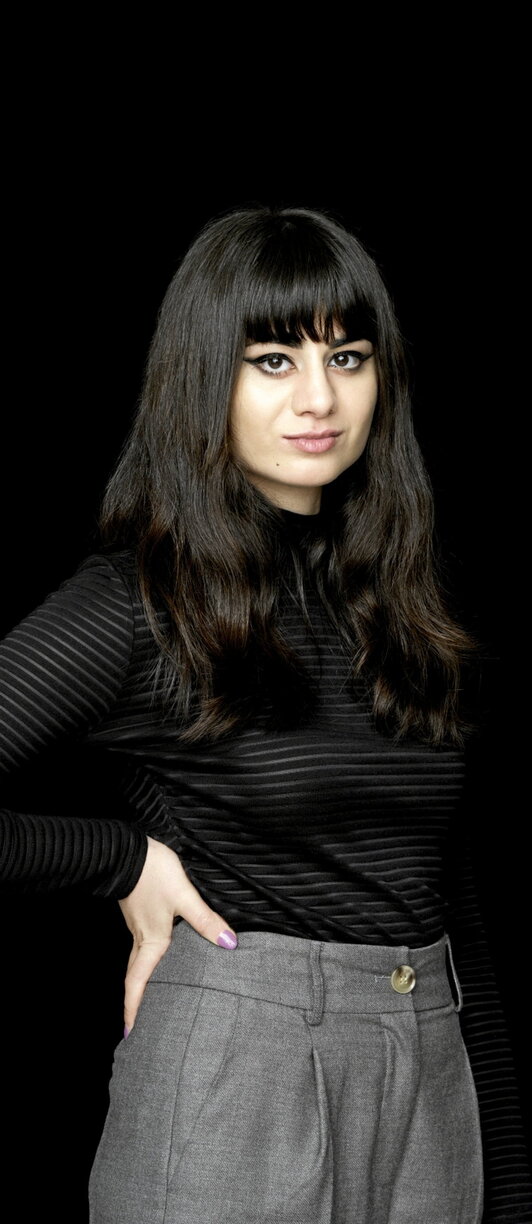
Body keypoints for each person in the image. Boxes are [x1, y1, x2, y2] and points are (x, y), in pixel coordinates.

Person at [0, 205, 530, 1224]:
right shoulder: (136, 605)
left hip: (431, 1082)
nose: (319, 397)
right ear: (207, 377)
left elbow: (447, 898)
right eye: (273, 360)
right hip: (239, 1079)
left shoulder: (409, 604)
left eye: (348, 357)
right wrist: (116, 860)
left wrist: (503, 1180)